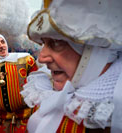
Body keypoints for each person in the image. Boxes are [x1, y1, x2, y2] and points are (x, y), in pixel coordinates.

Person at [21, 0, 122, 132]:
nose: (41, 58)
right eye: (44, 43)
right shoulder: (45, 89)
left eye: (56, 43)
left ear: (97, 51)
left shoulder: (108, 113)